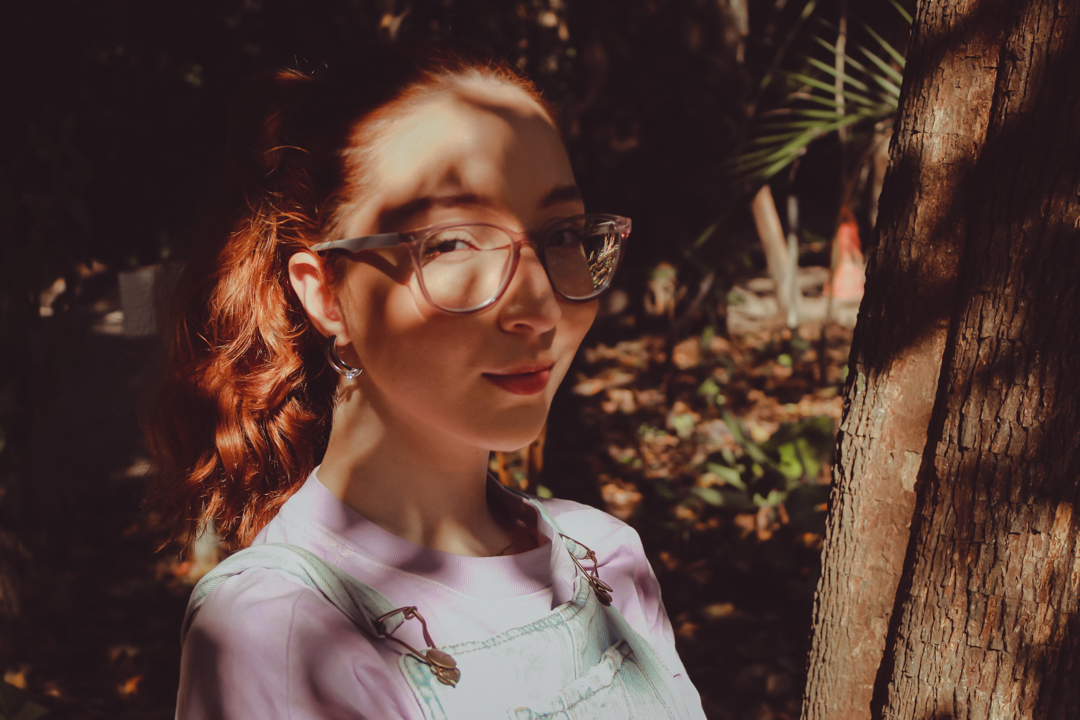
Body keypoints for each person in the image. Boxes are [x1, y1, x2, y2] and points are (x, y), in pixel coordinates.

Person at [147, 41, 706, 720]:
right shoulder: (281, 633)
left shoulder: (606, 558)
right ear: (327, 295)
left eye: (561, 235)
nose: (539, 306)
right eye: (452, 243)